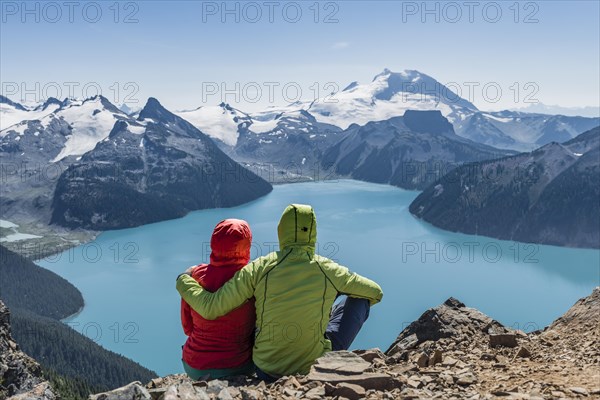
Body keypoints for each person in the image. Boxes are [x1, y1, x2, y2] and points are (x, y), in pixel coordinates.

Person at [176, 204, 383, 381]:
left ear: (280, 231)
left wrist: (183, 280)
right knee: (358, 300)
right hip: (313, 365)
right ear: (313, 233)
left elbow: (211, 308)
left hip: (265, 368)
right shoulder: (327, 269)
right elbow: (375, 291)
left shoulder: (258, 268)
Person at [179, 219, 255, 380]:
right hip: (239, 366)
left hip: (195, 366)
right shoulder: (251, 280)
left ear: (214, 242)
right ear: (247, 246)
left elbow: (187, 328)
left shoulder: (196, 275)